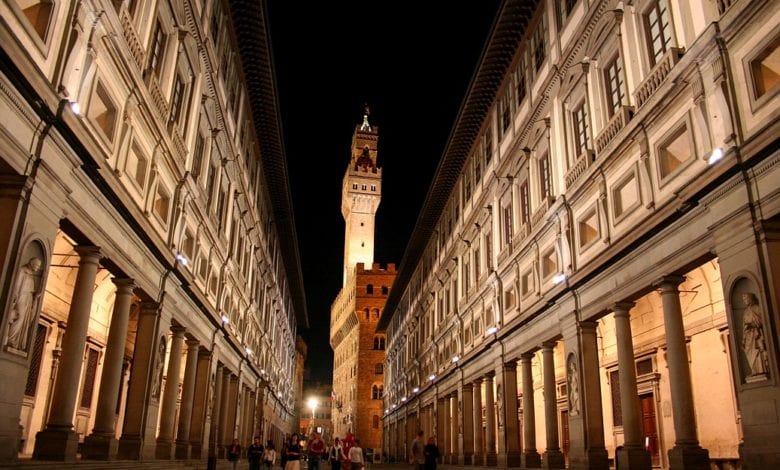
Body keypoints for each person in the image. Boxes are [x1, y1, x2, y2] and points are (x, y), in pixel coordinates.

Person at [4, 257, 42, 351]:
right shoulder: (22, 271)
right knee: (19, 316)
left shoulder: (31, 275)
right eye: (36, 265)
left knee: (24, 319)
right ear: (31, 263)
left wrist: (35, 297)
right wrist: (15, 296)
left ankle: (16, 342)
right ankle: (10, 340)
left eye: (38, 266)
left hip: (27, 299)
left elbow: (30, 289)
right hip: (21, 297)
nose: (37, 268)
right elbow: (16, 285)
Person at [742, 293, 769, 377]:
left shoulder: (757, 308)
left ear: (750, 298)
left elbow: (764, 320)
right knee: (749, 352)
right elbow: (744, 325)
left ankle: (762, 370)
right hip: (748, 336)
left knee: (758, 351)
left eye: (746, 298)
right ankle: (755, 371)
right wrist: (743, 338)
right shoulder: (746, 311)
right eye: (743, 299)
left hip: (756, 334)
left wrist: (753, 324)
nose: (745, 301)